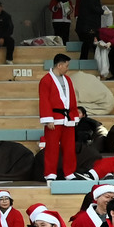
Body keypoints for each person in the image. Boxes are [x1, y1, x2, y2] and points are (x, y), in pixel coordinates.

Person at [39, 54, 80, 182]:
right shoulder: (46, 80)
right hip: (54, 119)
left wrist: (74, 116)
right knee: (52, 147)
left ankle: (69, 172)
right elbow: (44, 100)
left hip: (67, 118)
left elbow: (72, 99)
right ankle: (50, 173)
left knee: (69, 147)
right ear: (59, 65)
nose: (67, 68)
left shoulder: (68, 80)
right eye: (66, 66)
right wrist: (48, 119)